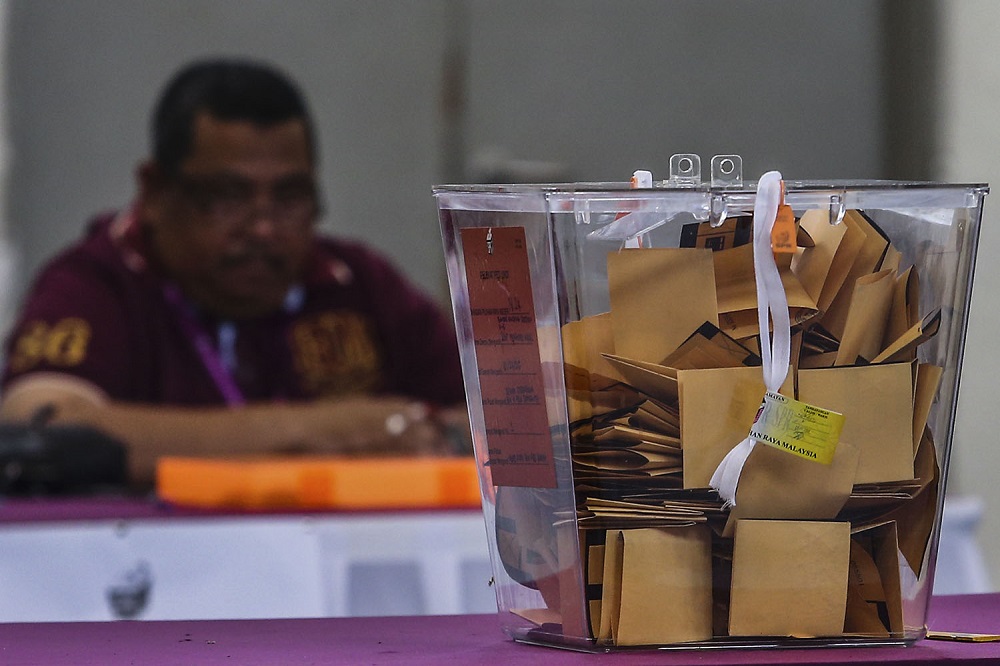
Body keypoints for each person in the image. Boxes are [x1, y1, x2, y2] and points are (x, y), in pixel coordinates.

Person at [0, 58, 469, 487]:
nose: (263, 228)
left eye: (289, 197)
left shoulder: (355, 281)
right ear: (155, 192)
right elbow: (43, 426)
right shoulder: (99, 282)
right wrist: (323, 432)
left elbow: (488, 423)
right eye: (227, 197)